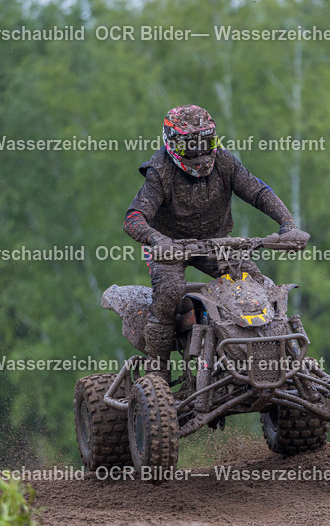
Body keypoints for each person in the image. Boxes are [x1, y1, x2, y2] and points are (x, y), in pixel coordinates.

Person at [124, 104, 300, 382]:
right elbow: (134, 217)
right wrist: (157, 239)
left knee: (257, 287)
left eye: (204, 143)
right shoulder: (160, 171)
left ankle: (276, 360)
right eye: (189, 145)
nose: (199, 153)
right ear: (172, 143)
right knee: (170, 291)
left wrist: (287, 224)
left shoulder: (226, 163)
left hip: (218, 244)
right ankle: (157, 370)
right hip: (171, 248)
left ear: (214, 139)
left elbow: (258, 192)